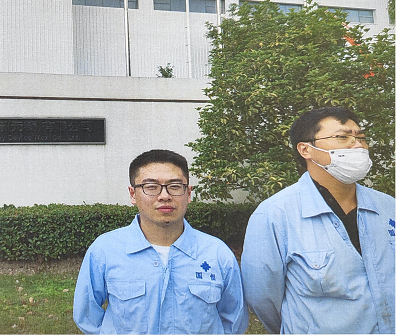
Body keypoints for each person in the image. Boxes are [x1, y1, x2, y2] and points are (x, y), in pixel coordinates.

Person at [241, 107, 395, 334]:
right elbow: (262, 298)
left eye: (361, 137)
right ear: (306, 149)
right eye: (343, 137)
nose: (357, 145)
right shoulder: (275, 215)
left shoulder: (389, 207)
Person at [73, 149, 249, 334]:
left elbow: (233, 319)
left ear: (188, 193)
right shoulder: (106, 250)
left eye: (175, 186)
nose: (164, 196)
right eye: (151, 187)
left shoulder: (216, 253)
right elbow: (87, 315)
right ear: (133, 194)